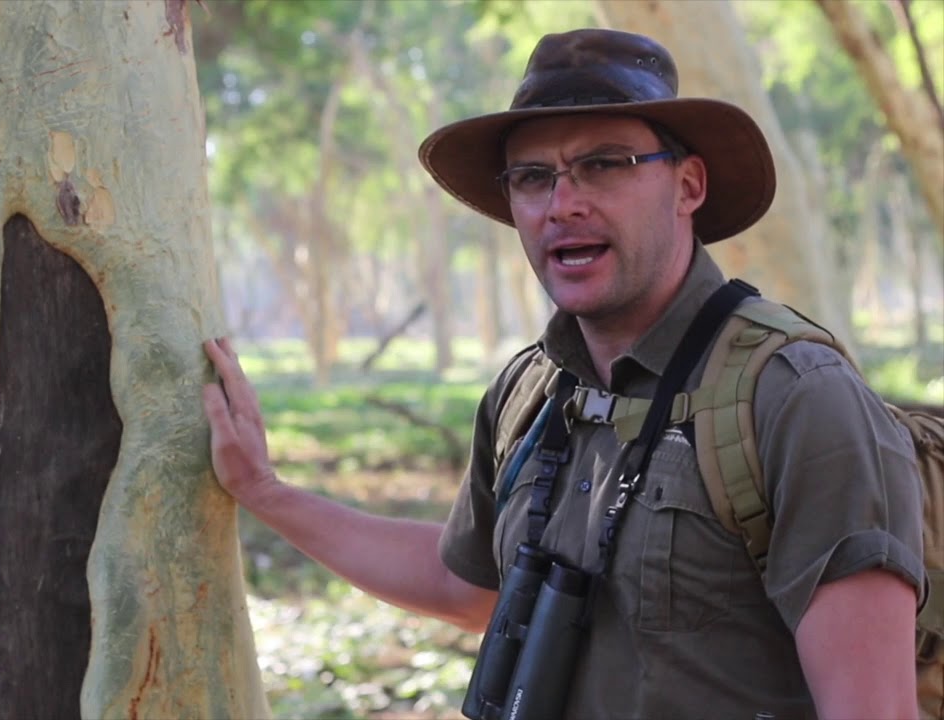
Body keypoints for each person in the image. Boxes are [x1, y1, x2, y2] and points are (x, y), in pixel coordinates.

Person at [201, 28, 925, 720]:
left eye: (605, 165)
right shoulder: (530, 393)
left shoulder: (795, 397)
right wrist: (265, 492)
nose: (563, 204)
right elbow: (466, 583)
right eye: (533, 177)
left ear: (688, 184)